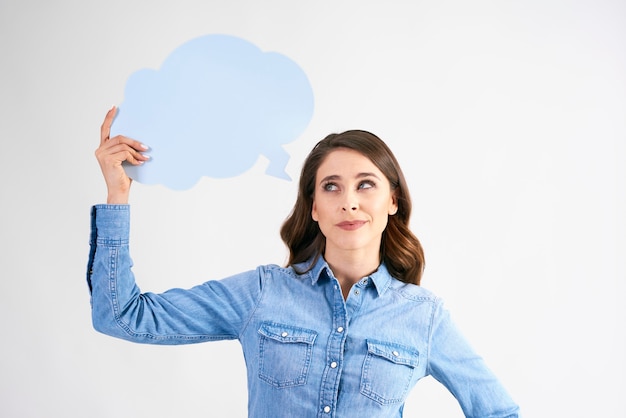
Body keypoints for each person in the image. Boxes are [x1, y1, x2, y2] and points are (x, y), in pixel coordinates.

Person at [88, 106, 520, 417]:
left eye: (365, 185)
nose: (348, 202)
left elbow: (499, 412)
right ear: (313, 207)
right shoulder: (262, 293)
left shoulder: (424, 318)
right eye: (331, 187)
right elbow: (123, 317)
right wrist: (118, 195)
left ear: (392, 200)